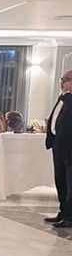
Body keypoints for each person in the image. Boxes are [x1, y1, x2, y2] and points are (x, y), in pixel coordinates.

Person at [45, 70, 72, 228]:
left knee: (70, 184)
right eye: (62, 79)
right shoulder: (64, 98)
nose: (63, 82)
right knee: (60, 181)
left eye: (68, 79)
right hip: (58, 146)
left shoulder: (69, 99)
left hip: (70, 148)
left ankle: (69, 216)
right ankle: (63, 211)